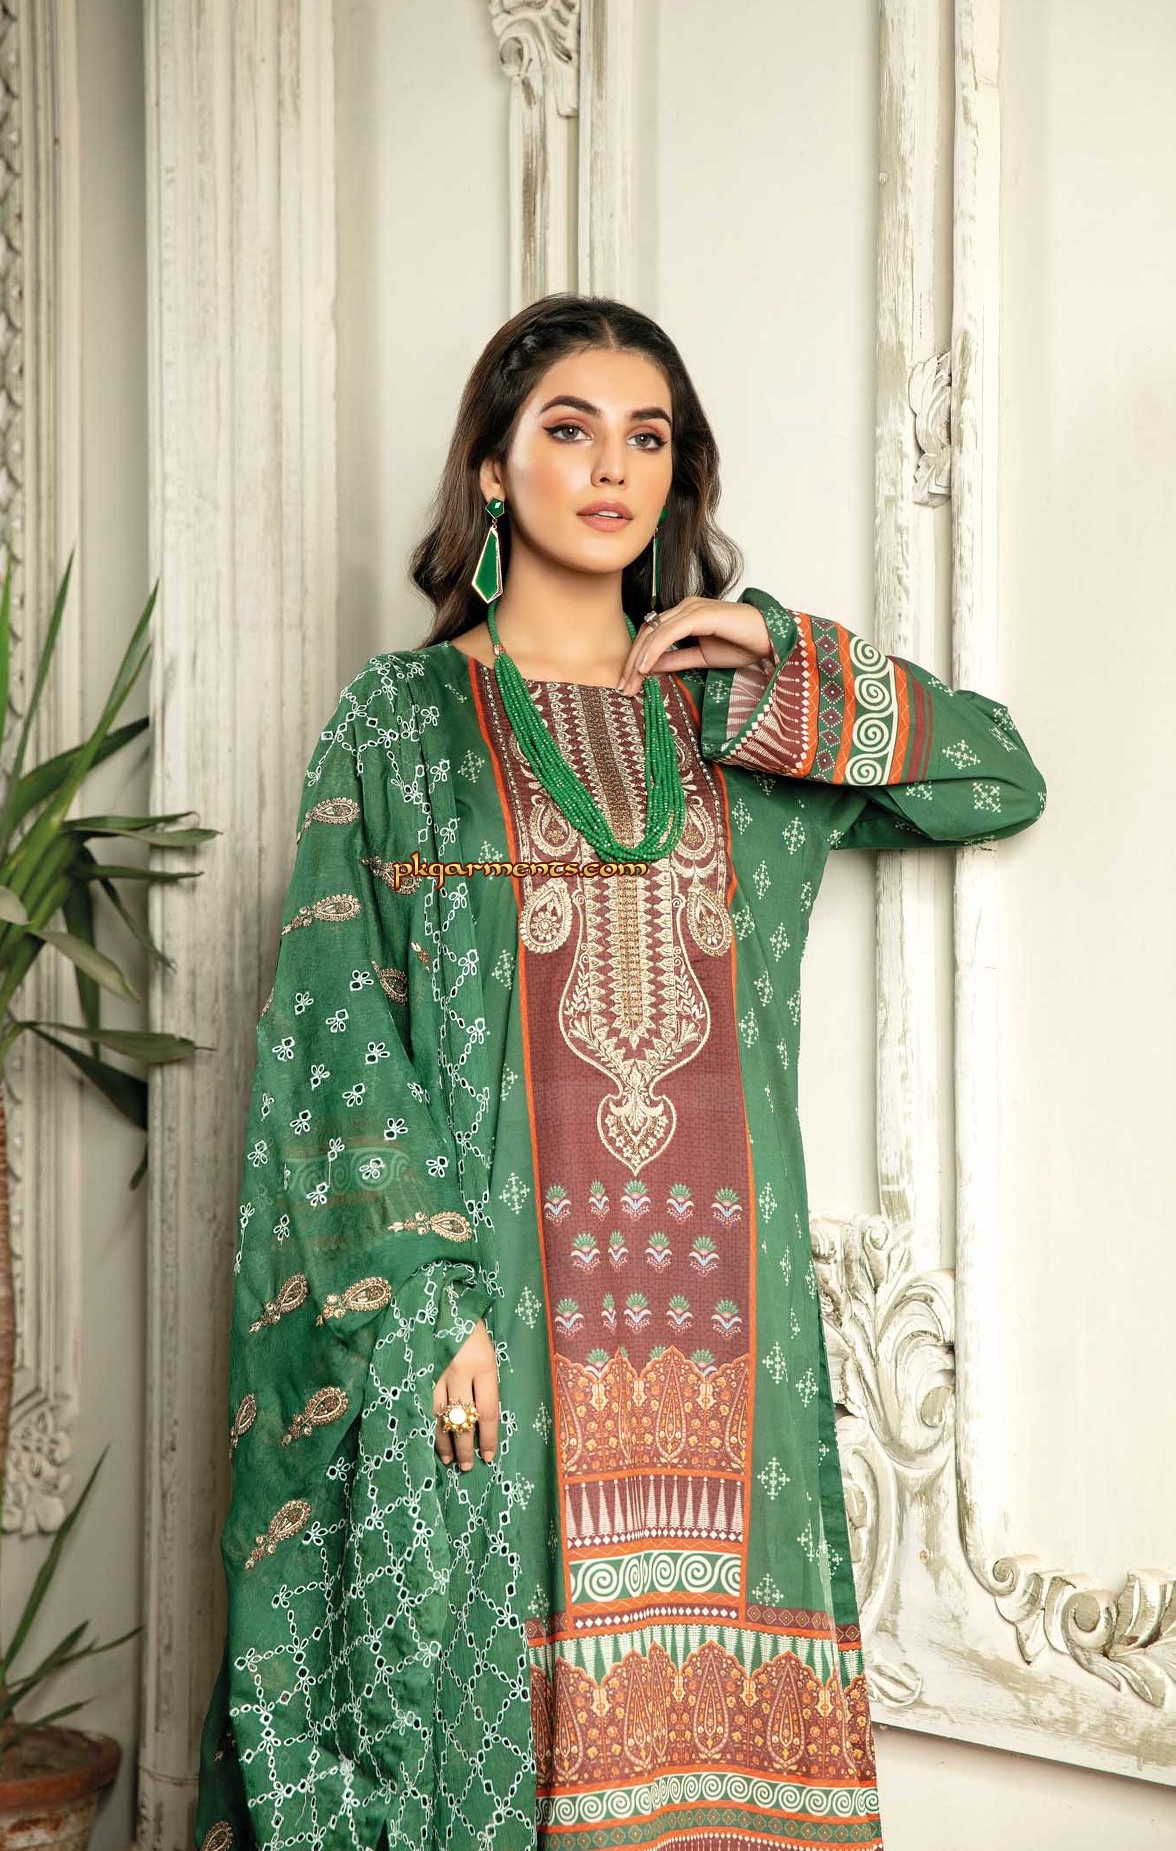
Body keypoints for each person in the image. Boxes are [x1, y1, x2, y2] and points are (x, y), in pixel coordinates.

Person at [193, 293, 1046, 1851]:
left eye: (647, 438)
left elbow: (995, 774)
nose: (612, 467)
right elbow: (337, 1024)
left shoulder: (732, 723)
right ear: (493, 468)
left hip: (725, 1351)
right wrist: (424, 1298)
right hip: (502, 1320)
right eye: (570, 430)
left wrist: (779, 646)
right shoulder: (404, 724)